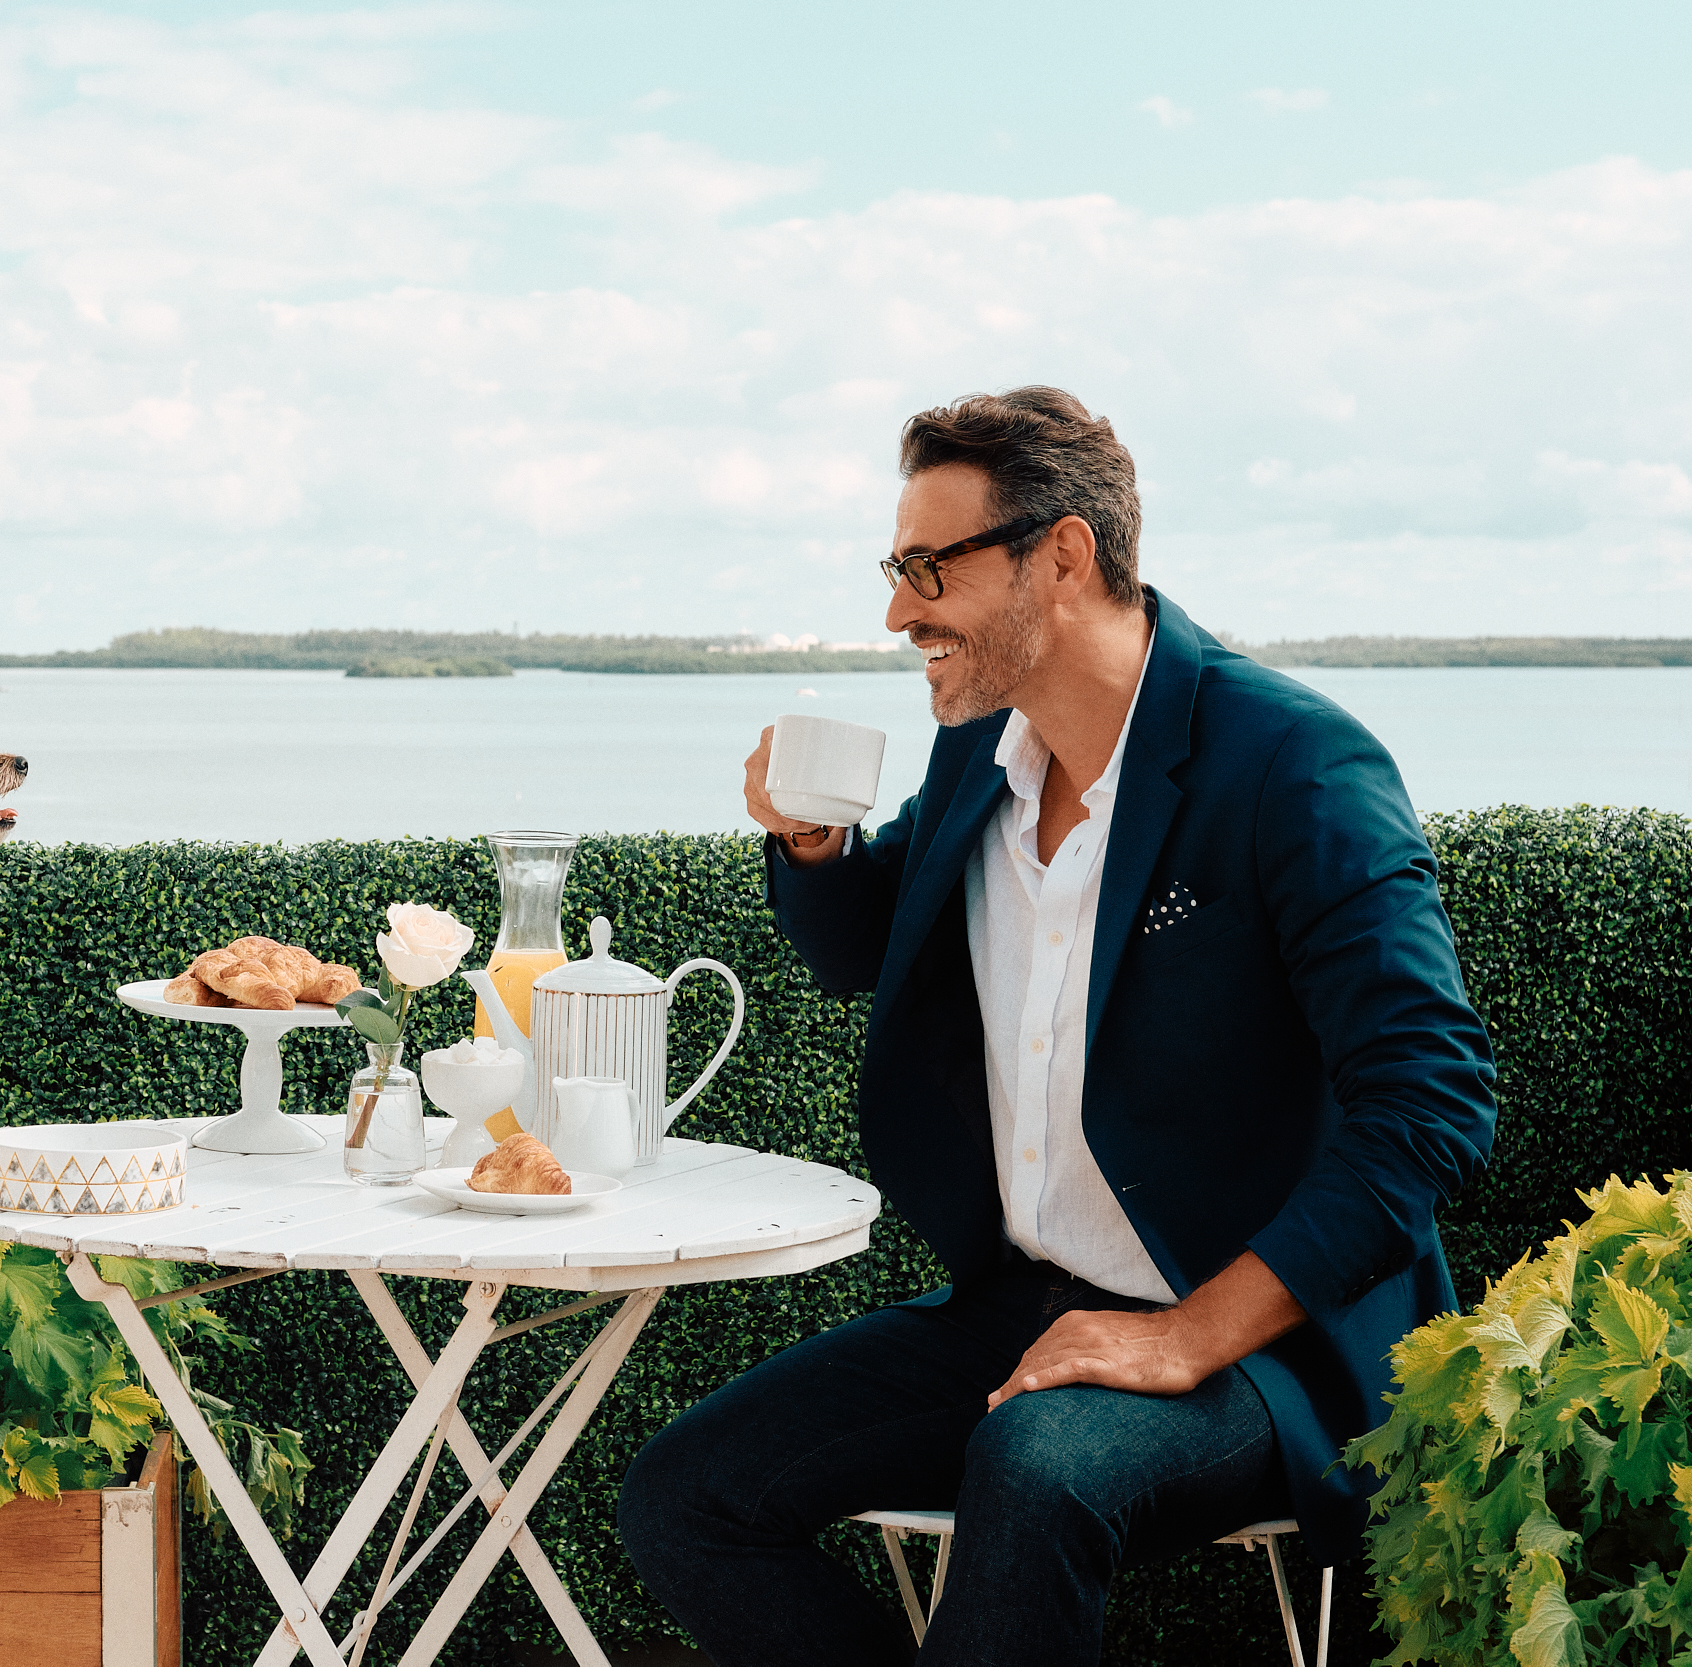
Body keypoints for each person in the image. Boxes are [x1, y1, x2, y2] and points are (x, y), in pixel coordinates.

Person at [615, 387, 1496, 1665]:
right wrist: (814, 848)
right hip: (1028, 1307)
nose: (896, 610)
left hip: (1262, 1341)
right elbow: (872, 944)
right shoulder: (984, 751)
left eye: (928, 566)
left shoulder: (1293, 767)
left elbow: (1432, 1104)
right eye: (892, 566)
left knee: (1032, 1464)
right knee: (687, 1496)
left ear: (1063, 553)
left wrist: (1187, 1332)